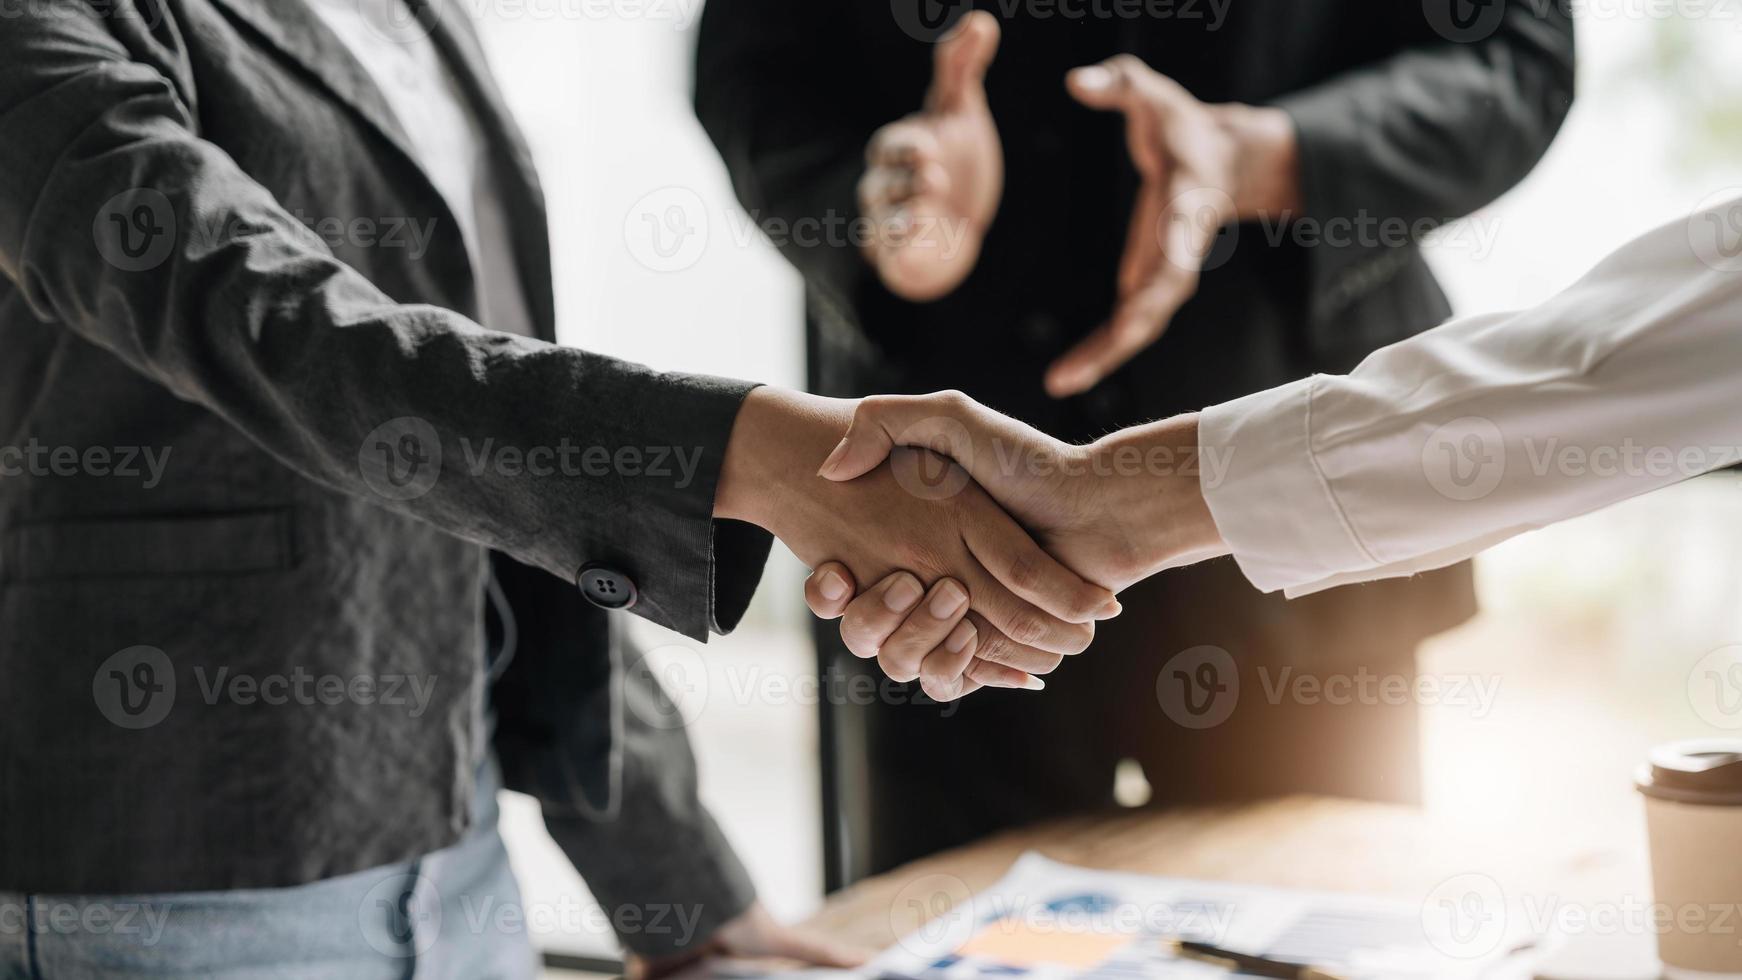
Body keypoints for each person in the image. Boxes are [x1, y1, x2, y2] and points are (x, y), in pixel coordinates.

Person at [0, 0, 1116, 975]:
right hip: (169, 878)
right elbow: (274, 323)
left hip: (460, 861)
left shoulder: (415, 19)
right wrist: (746, 453)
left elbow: (499, 469)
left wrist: (675, 884)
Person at [695, 0, 1576, 883]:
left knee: (1318, 925)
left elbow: (1514, 56)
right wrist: (872, 210)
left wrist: (1266, 159)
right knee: (953, 938)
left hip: (1296, 490)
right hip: (931, 525)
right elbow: (753, 66)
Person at [805, 197, 1742, 684]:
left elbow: (1622, 365)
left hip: (1308, 608)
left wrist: (1275, 153)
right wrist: (871, 202)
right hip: (963, 367)